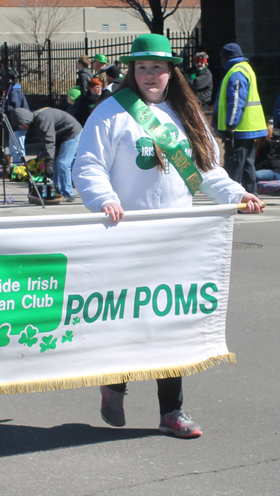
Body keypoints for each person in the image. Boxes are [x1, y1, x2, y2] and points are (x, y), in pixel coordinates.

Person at [72, 33, 263, 439]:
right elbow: (88, 165)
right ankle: (115, 384)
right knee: (126, 321)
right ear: (132, 72)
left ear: (171, 71)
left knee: (171, 324)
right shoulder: (111, 112)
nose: (150, 75)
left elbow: (209, 171)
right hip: (126, 237)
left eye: (157, 67)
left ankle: (171, 412)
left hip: (177, 240)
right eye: (142, 68)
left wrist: (236, 194)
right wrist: (105, 199)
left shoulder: (186, 113)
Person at [212, 43, 267, 195]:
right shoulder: (245, 69)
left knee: (234, 165)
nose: (221, 61)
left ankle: (234, 197)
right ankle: (250, 196)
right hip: (248, 128)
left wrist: (230, 125)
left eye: (222, 57)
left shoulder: (236, 72)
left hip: (239, 129)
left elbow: (236, 101)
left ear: (227, 57)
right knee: (247, 165)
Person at [12, 107, 82, 202]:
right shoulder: (35, 121)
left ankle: (68, 194)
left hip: (71, 133)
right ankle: (58, 192)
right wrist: (47, 159)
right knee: (54, 164)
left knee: (63, 163)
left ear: (25, 120)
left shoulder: (42, 120)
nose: (22, 127)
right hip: (60, 135)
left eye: (22, 124)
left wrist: (48, 161)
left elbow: (49, 141)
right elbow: (47, 141)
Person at [5, 82, 30, 165]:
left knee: (17, 148)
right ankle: (17, 166)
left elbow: (15, 109)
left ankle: (20, 167)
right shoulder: (14, 92)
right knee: (14, 149)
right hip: (16, 124)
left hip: (17, 124)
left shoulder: (14, 93)